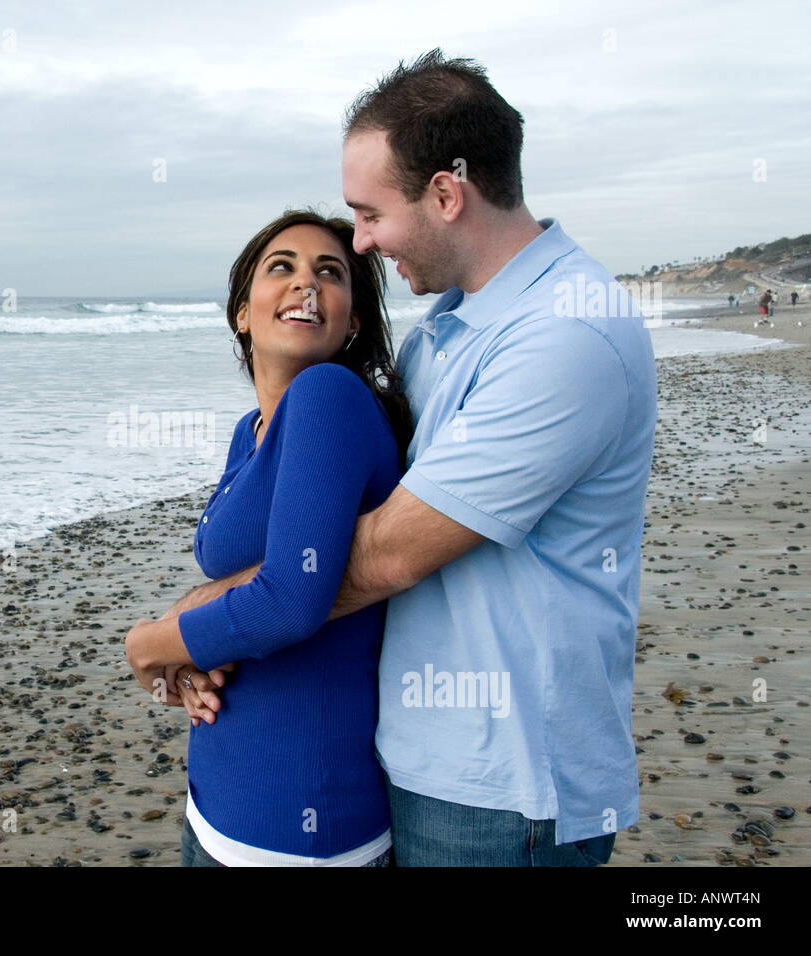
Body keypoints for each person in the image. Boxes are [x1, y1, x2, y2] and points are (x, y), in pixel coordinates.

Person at [163, 50, 657, 867]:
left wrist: (179, 634)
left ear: (446, 194)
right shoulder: (445, 335)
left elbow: (379, 556)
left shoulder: (566, 335)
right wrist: (204, 618)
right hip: (418, 757)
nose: (360, 241)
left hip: (505, 789)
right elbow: (320, 527)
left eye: (368, 215)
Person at [124, 209, 411, 866]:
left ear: (353, 320)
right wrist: (194, 649)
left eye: (330, 273)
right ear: (242, 313)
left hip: (298, 831)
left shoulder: (329, 394)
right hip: (219, 811)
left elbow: (290, 599)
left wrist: (153, 644)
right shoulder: (250, 431)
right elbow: (253, 576)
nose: (305, 284)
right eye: (281, 267)